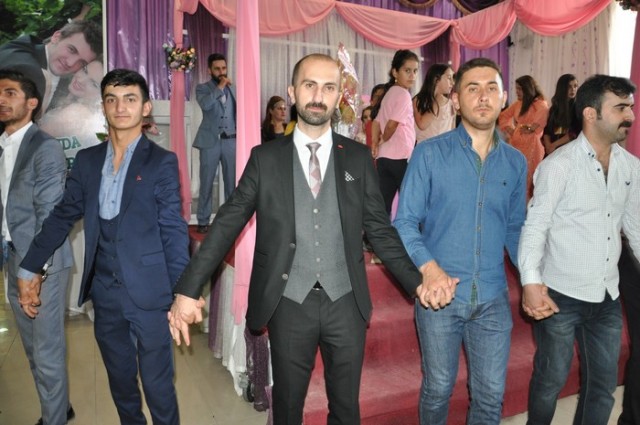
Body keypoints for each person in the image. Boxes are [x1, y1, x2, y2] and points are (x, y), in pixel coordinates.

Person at [167, 53, 429, 425]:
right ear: (292, 92)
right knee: (288, 408)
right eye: (309, 85)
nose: (318, 96)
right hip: (289, 301)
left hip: (346, 302)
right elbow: (227, 221)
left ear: (339, 96)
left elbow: (380, 230)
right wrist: (188, 288)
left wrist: (417, 282)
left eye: (328, 87)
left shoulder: (357, 158)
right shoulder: (265, 158)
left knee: (346, 410)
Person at [16, 69, 190, 425]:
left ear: (145, 108)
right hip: (105, 293)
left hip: (150, 293)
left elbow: (173, 229)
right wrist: (30, 265)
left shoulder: (161, 162)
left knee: (158, 385)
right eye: (112, 99)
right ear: (103, 106)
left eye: (130, 99)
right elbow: (62, 216)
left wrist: (183, 291)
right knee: (120, 381)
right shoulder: (88, 161)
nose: (120, 107)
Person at [394, 57, 527, 425]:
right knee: (438, 388)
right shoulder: (429, 154)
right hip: (440, 296)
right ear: (455, 99)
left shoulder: (516, 162)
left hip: (493, 297)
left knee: (490, 396)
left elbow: (516, 227)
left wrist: (533, 278)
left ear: (503, 99)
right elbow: (404, 222)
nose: (483, 97)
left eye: (491, 89)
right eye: (472, 88)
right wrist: (429, 268)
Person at [518, 74, 640, 425]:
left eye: (631, 107)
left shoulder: (631, 167)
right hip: (560, 296)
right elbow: (536, 225)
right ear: (590, 113)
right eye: (620, 108)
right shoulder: (559, 166)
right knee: (550, 382)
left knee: (602, 387)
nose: (630, 116)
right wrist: (530, 282)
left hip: (607, 295)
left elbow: (635, 228)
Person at [0, 70, 74, 425]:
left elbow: (49, 216)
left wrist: (34, 274)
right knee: (32, 348)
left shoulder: (45, 148)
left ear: (32, 103)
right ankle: (59, 406)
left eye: (10, 93)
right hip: (13, 257)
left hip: (44, 263)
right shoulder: (2, 146)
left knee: (46, 351)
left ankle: (54, 419)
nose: (1, 100)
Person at [0, 20, 102, 114]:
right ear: (56, 37)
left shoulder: (33, 45)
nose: (71, 63)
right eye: (71, 50)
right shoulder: (28, 72)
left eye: (82, 63)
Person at [193, 53, 237, 233]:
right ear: (209, 70)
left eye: (224, 68)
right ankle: (203, 220)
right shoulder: (202, 88)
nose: (221, 72)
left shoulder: (234, 89)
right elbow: (206, 105)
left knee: (231, 184)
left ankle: (231, 221)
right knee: (207, 182)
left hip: (231, 141)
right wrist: (220, 87)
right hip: (210, 141)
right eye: (217, 69)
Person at [372, 49, 419, 215]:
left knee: (383, 206)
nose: (412, 76)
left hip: (384, 158)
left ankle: (378, 232)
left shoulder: (389, 92)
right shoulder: (403, 95)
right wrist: (383, 139)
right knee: (410, 206)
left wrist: (376, 144)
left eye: (415, 71)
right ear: (395, 72)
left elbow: (376, 122)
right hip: (401, 157)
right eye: (407, 70)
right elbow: (391, 125)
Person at [39, 59, 105, 170]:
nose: (81, 80)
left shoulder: (76, 112)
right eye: (84, 70)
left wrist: (47, 90)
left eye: (93, 84)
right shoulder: (79, 107)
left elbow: (31, 142)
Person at [499, 75, 549, 200]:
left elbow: (540, 120)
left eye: (520, 89)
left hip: (532, 146)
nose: (517, 92)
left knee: (529, 178)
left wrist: (530, 128)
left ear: (528, 89)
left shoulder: (539, 104)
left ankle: (527, 208)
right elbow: (503, 116)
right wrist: (510, 130)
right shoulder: (518, 104)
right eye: (516, 88)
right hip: (516, 144)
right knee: (514, 176)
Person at [413, 63, 456, 143]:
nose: (452, 83)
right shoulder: (419, 100)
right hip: (425, 148)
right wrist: (437, 103)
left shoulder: (450, 103)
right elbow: (422, 125)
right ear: (436, 80)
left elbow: (452, 132)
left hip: (444, 148)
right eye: (449, 78)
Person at [542, 73, 579, 156]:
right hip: (552, 149)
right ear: (562, 88)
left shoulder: (577, 107)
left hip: (569, 150)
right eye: (569, 86)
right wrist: (548, 145)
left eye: (575, 86)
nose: (573, 89)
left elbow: (574, 133)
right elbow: (547, 130)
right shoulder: (554, 108)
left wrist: (553, 145)